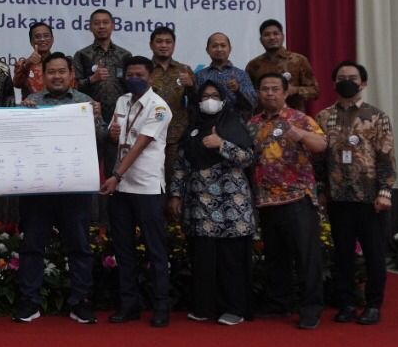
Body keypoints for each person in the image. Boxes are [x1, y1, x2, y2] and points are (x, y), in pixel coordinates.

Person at [17, 52, 106, 323]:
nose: (57, 76)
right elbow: (18, 143)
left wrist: (95, 119)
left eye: (61, 72)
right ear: (43, 75)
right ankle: (29, 301)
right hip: (38, 188)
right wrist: (20, 117)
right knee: (32, 245)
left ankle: (80, 301)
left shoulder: (85, 103)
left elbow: (102, 140)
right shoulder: (32, 102)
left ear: (71, 75)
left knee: (79, 246)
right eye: (51, 72)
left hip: (74, 188)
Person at [169, 77, 256, 326]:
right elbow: (181, 164)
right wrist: (175, 194)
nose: (210, 101)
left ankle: (234, 309)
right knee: (203, 259)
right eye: (205, 97)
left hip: (231, 206)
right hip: (200, 206)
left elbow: (248, 157)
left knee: (230, 260)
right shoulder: (193, 129)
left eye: (215, 97)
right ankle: (205, 307)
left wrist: (222, 144)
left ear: (224, 101)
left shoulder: (234, 125)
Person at [315, 61, 396, 326]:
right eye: (341, 78)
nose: (347, 82)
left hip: (370, 197)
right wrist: (321, 190)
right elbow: (319, 160)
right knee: (342, 254)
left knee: (374, 254)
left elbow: (386, 156)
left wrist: (385, 190)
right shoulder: (324, 117)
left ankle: (373, 305)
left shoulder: (377, 116)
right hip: (338, 197)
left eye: (352, 77)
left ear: (363, 82)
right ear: (333, 83)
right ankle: (347, 303)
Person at [248, 72, 328, 330]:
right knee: (275, 256)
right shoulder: (253, 123)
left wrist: (301, 135)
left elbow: (321, 145)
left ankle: (310, 308)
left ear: (285, 93)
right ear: (259, 93)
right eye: (265, 89)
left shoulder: (300, 118)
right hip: (266, 200)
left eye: (275, 89)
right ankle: (277, 302)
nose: (270, 93)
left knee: (306, 256)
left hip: (297, 198)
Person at [102, 56, 172, 327]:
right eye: (129, 74)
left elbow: (140, 144)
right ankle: (129, 304)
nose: (134, 79)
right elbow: (115, 135)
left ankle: (161, 306)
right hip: (121, 187)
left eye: (139, 75)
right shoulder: (122, 101)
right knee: (123, 248)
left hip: (147, 187)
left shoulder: (159, 107)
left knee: (155, 250)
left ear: (150, 77)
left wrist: (116, 175)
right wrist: (112, 134)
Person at [73, 8, 131, 173]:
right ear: (90, 27)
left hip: (118, 115)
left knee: (115, 164)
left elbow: (130, 87)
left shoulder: (125, 55)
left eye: (105, 22)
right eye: (97, 23)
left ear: (112, 25)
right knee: (90, 164)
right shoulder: (82, 55)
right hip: (92, 116)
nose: (101, 26)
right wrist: (92, 79)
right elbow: (73, 87)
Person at [146, 26, 196, 184]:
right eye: (159, 41)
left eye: (168, 42)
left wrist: (191, 87)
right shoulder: (144, 69)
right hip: (149, 134)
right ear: (151, 45)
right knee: (151, 179)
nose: (164, 45)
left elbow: (196, 102)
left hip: (177, 135)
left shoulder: (184, 70)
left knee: (174, 179)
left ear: (174, 45)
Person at [245, 19, 319, 113]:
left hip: (293, 118)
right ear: (261, 40)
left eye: (275, 34)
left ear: (282, 36)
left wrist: (295, 90)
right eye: (267, 35)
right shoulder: (253, 65)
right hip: (264, 118)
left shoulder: (298, 60)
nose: (272, 37)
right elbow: (248, 95)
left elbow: (315, 91)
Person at [195, 32, 256, 113]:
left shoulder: (241, 74)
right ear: (207, 50)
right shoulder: (200, 75)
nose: (219, 49)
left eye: (223, 46)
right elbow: (194, 103)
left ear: (230, 49)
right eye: (214, 46)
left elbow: (252, 103)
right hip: (207, 120)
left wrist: (238, 90)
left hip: (235, 119)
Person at [13, 21, 73, 96]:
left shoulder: (63, 64)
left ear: (52, 39)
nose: (42, 39)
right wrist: (28, 64)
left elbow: (72, 88)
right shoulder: (23, 64)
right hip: (32, 103)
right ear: (31, 42)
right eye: (38, 37)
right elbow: (17, 84)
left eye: (46, 36)